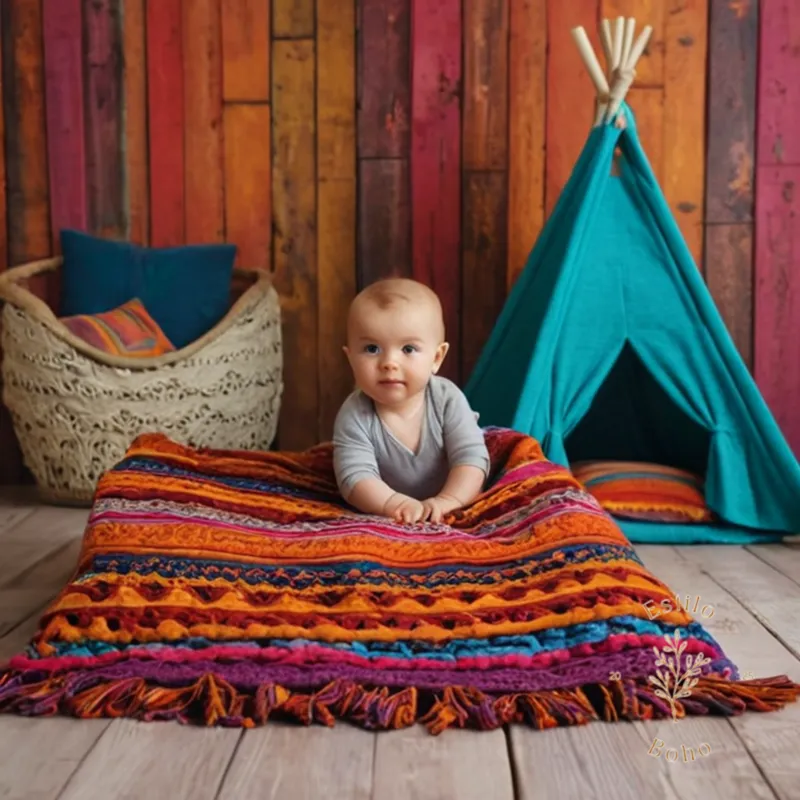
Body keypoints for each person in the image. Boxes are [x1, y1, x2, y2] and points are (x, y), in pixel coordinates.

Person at [332, 277, 490, 524]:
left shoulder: (447, 400)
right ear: (350, 358)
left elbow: (471, 459)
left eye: (408, 349)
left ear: (436, 358)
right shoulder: (355, 414)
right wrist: (394, 503)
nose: (389, 363)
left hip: (451, 497)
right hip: (388, 508)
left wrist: (448, 500)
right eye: (372, 348)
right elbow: (354, 477)